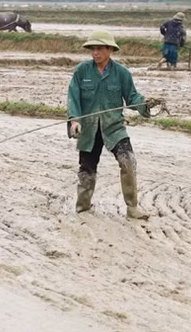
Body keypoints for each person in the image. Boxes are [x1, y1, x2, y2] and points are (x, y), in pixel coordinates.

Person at [67, 30, 162, 220]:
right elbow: (73, 97)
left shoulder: (122, 73)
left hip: (114, 127)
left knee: (128, 162)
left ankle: (132, 208)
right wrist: (75, 120)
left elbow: (132, 97)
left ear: (110, 50)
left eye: (100, 49)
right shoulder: (81, 71)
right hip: (89, 128)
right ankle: (83, 206)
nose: (95, 53)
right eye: (92, 49)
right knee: (87, 169)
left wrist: (145, 104)